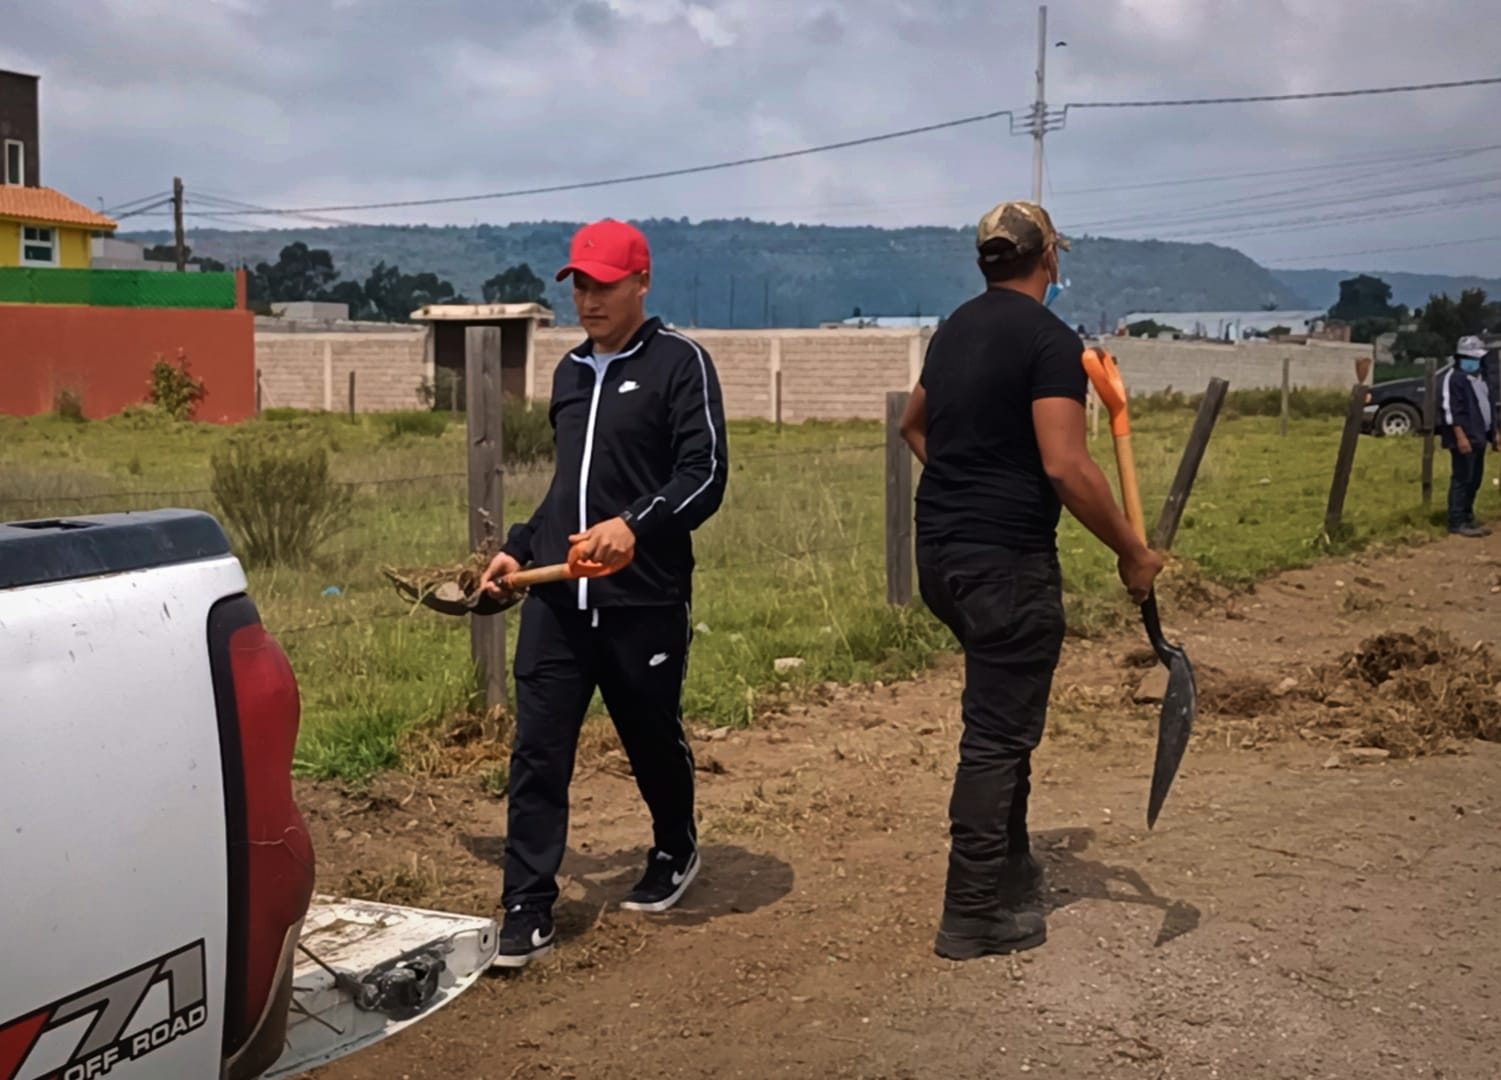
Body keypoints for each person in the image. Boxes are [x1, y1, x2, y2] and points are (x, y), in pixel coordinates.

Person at [898, 200, 1164, 961]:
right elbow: (1065, 464)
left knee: (999, 719)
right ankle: (973, 913)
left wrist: (964, 482)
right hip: (1004, 562)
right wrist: (1130, 552)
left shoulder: (953, 330)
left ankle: (1009, 872)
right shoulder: (1051, 342)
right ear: (1048, 258)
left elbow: (912, 427)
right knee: (996, 735)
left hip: (940, 556)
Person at [478, 218, 729, 968]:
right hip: (559, 603)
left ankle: (675, 847)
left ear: (641, 283)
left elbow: (705, 474)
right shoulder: (567, 372)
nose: (588, 299)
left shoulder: (680, 364)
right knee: (538, 751)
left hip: (642, 599)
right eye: (579, 284)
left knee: (650, 738)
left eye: (604, 285)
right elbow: (568, 490)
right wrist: (517, 548)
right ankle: (526, 903)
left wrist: (635, 527)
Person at [1439, 335, 1497, 538]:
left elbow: (1488, 407)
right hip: (1464, 437)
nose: (1473, 362)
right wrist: (1460, 436)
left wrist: (1494, 433)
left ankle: (1468, 516)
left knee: (1475, 479)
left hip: (1480, 435)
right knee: (1462, 479)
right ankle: (1456, 520)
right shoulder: (1453, 378)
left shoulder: (1481, 378)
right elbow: (1451, 411)